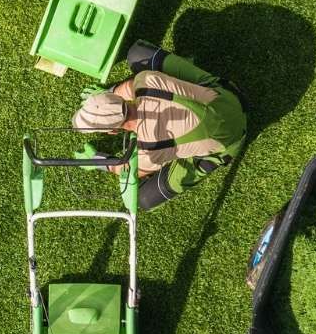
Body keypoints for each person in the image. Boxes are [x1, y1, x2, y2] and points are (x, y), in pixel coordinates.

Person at [70, 41, 247, 212]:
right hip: (230, 98)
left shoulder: (148, 151)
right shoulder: (146, 81)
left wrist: (99, 161)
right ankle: (186, 65)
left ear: (113, 131)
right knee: (137, 54)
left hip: (231, 141)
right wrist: (107, 96)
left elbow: (129, 170)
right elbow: (129, 87)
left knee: (144, 198)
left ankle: (211, 157)